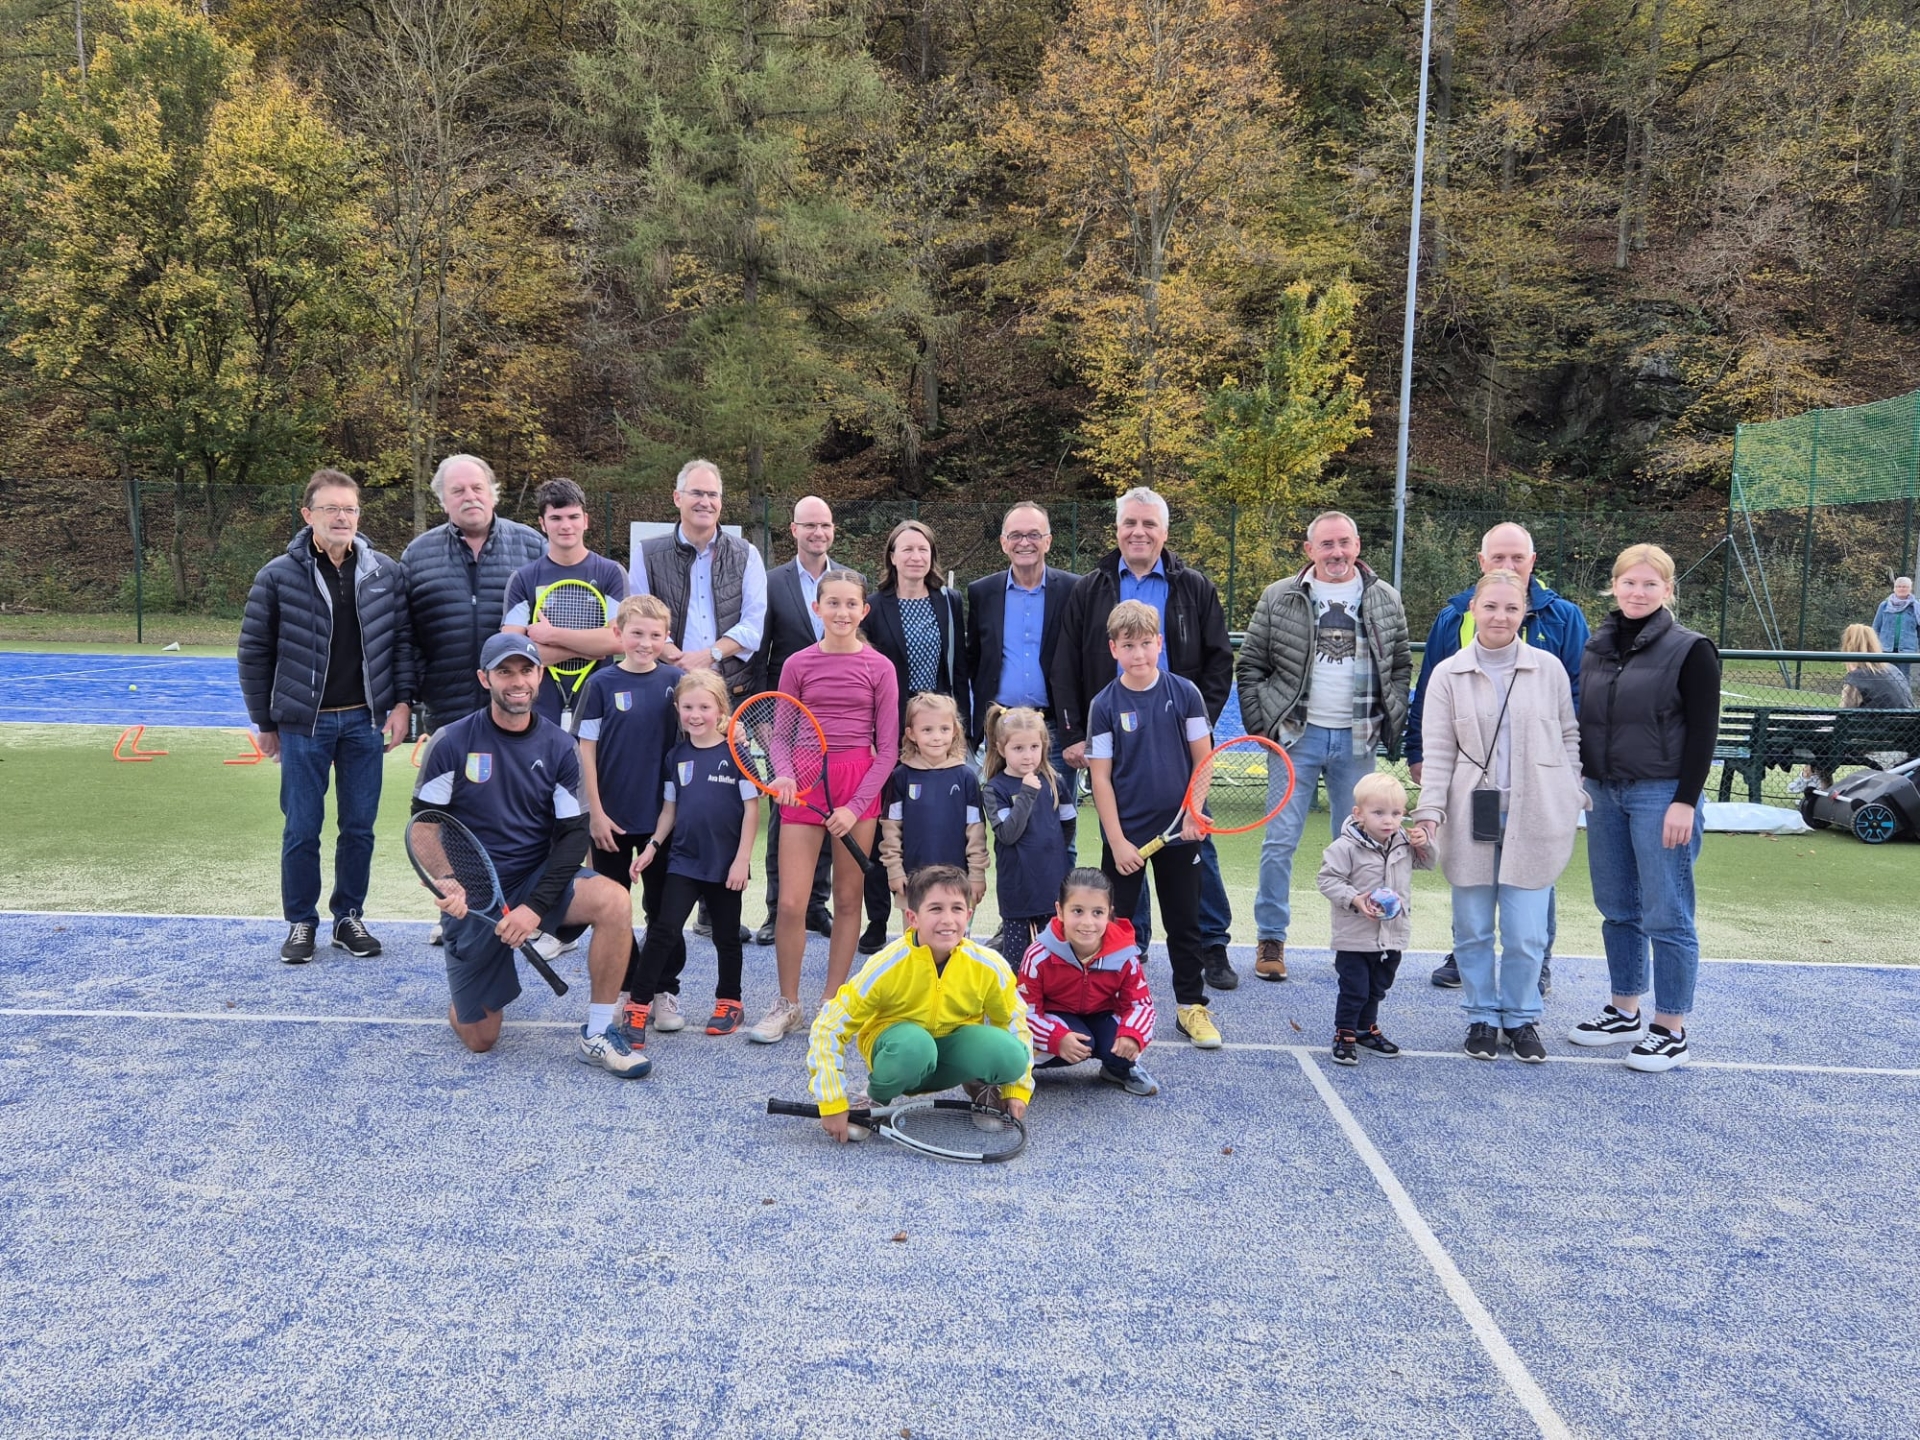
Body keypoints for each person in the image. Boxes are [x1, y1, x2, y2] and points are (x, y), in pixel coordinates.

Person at [412, 633, 651, 1077]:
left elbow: (572, 838)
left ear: (539, 675)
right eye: (505, 672)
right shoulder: (450, 741)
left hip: (535, 877)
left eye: (526, 670)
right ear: (485, 678)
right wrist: (446, 879)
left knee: (615, 899)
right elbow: (424, 825)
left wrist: (532, 909)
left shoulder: (559, 745)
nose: (517, 681)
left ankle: (597, 1033)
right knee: (481, 1038)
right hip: (474, 891)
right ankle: (465, 995)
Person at [1050, 487, 1239, 990]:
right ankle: (1133, 953)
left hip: (1178, 731)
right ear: (1117, 530)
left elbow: (1219, 662)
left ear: (1164, 532)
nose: (1139, 532)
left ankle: (1211, 945)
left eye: (1149, 524)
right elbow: (1067, 660)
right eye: (1130, 523)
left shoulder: (1193, 586)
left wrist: (1198, 724)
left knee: (1195, 847)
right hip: (1117, 734)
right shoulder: (1090, 588)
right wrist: (1075, 732)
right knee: (1126, 855)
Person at [238, 469, 415, 965]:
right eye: (331, 508)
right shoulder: (277, 575)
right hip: (302, 727)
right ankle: (301, 921)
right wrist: (265, 724)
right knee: (302, 828)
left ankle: (348, 916)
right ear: (307, 515)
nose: (342, 517)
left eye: (350, 508)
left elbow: (400, 645)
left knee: (359, 827)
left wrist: (401, 704)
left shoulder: (385, 572)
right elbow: (254, 653)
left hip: (364, 722)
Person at [1408, 570, 1585, 1064]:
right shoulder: (1448, 674)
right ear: (1473, 611)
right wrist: (1431, 814)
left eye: (1511, 608)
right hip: (1471, 815)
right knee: (1473, 928)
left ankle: (1521, 1017)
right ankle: (1482, 1016)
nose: (1500, 616)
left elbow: (1570, 735)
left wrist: (1571, 790)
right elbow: (1439, 752)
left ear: (1524, 613)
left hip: (1537, 814)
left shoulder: (1548, 669)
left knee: (1528, 933)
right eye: (1490, 607)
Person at [1235, 511, 1411, 983]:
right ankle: (1271, 937)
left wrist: (1386, 716)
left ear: (1357, 546)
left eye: (1345, 543)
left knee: (1362, 847)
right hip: (1295, 736)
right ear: (1309, 550)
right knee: (1279, 842)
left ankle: (1355, 943)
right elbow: (1250, 666)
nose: (1337, 552)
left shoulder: (1383, 598)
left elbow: (1398, 667)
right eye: (1327, 544)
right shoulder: (1280, 596)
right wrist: (1264, 724)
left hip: (1358, 740)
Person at [1567, 545, 1720, 1073]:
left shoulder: (1691, 648)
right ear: (1614, 585)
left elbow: (1704, 732)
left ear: (1668, 591)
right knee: (1617, 906)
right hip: (1604, 791)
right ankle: (1624, 1008)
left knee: (1667, 912)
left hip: (1662, 792)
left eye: (1649, 585)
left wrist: (1685, 799)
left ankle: (1670, 1026)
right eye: (1629, 583)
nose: (1638, 593)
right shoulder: (1597, 646)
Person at [748, 570, 901, 1045]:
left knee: (849, 901)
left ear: (863, 610)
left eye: (850, 604)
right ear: (817, 609)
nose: (841, 612)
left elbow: (889, 748)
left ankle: (832, 1002)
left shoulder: (880, 668)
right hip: (803, 787)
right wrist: (785, 772)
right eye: (831, 603)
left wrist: (857, 807)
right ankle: (787, 1004)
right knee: (792, 903)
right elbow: (782, 734)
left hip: (859, 789)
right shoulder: (797, 663)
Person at [805, 864, 1033, 1142]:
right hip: (903, 1053)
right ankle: (876, 1098)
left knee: (1011, 1053)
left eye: (957, 909)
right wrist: (831, 1101)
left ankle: (981, 1084)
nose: (948, 919)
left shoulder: (989, 965)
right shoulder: (886, 964)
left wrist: (1016, 1090)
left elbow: (1013, 1021)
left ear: (969, 915)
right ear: (913, 917)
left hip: (952, 1050)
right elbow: (829, 1025)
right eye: (936, 909)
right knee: (915, 1046)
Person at [1087, 599, 1223, 1049]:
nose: (1139, 653)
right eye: (1129, 645)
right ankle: (1115, 1007)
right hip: (1126, 837)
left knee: (1185, 924)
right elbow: (1101, 779)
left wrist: (1192, 814)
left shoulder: (1184, 693)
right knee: (1118, 926)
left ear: (1160, 644)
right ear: (1114, 649)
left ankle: (1190, 1006)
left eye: (1146, 643)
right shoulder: (1103, 705)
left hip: (1182, 834)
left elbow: (1203, 760)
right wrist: (1118, 841)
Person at [627, 670, 761, 1040]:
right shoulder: (677, 756)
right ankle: (637, 1007)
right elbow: (670, 809)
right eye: (688, 707)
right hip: (684, 860)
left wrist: (741, 860)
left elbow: (752, 811)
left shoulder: (739, 754)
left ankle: (729, 1002)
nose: (695, 714)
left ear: (720, 709)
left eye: (704, 706)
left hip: (725, 863)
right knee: (663, 930)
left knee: (727, 936)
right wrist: (653, 847)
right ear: (678, 709)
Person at [575, 595, 686, 1038]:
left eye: (655, 635)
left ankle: (663, 988)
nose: (645, 642)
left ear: (666, 639)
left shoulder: (677, 682)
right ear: (618, 634)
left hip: (662, 818)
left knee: (664, 908)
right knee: (614, 910)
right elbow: (586, 752)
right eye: (636, 633)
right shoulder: (601, 684)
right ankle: (626, 986)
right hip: (611, 821)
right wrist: (595, 814)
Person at [859, 519, 970, 953]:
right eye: (906, 549)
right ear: (891, 556)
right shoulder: (873, 605)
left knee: (941, 824)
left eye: (922, 549)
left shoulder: (948, 600)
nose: (915, 557)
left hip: (939, 728)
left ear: (932, 556)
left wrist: (962, 723)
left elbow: (957, 666)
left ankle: (945, 916)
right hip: (891, 729)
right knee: (888, 823)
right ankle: (879, 919)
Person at [753, 495, 847, 945]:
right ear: (793, 530)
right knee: (786, 817)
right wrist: (762, 716)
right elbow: (760, 653)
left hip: (835, 727)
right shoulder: (770, 583)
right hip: (786, 725)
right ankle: (778, 909)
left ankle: (815, 906)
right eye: (809, 525)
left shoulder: (850, 581)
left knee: (828, 814)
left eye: (825, 525)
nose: (818, 533)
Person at [965, 504, 1081, 856]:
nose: (1024, 542)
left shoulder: (1075, 589)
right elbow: (975, 662)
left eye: (1033, 534)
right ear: (1003, 543)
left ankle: (1057, 910)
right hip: (998, 733)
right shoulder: (982, 592)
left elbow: (1082, 661)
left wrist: (1080, 728)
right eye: (1016, 535)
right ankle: (1013, 910)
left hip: (1054, 734)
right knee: (997, 829)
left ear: (1048, 541)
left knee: (1059, 832)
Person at [401, 453, 545, 733]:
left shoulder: (533, 547)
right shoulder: (417, 555)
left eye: (477, 488)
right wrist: (414, 691)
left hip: (522, 711)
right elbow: (405, 639)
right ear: (443, 501)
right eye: (457, 490)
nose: (470, 496)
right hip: (447, 713)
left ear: (493, 494)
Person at [1315, 772, 1435, 1065]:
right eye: (1378, 812)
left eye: (1395, 813)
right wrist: (1355, 899)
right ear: (1359, 814)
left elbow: (1429, 862)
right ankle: (1344, 1033)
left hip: (1392, 934)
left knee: (1378, 987)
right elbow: (1327, 880)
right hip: (1355, 936)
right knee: (1355, 988)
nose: (1388, 820)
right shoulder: (1344, 848)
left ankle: (1365, 1028)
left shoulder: (1404, 842)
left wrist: (1426, 842)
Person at [631, 458, 769, 705]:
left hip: (730, 695)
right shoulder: (646, 554)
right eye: (696, 493)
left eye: (712, 495)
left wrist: (709, 655)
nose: (705, 502)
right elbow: (638, 621)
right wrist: (679, 662)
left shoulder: (747, 554)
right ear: (677, 498)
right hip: (666, 690)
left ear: (720, 502)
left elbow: (752, 628)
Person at [1017, 868, 1158, 1097]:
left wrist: (1132, 1034)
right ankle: (1019, 1067)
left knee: (1125, 1042)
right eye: (1078, 911)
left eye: (1097, 912)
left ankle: (1117, 1069)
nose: (1087, 922)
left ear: (1109, 914)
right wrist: (1055, 1038)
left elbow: (1141, 1005)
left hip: (1101, 1014)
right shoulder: (1038, 955)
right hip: (1056, 1015)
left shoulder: (1125, 956)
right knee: (1083, 1042)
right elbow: (1023, 1010)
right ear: (1060, 911)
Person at [501, 478, 627, 729]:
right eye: (556, 518)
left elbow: (617, 641)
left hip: (599, 701)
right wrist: (589, 648)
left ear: (586, 521)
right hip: (541, 705)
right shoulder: (523, 579)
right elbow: (512, 653)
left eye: (573, 517)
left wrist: (551, 635)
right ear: (542, 524)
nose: (566, 526)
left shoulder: (611, 573)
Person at [982, 705, 1078, 970]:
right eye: (1018, 748)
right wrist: (1026, 794)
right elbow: (1008, 834)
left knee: (1055, 959)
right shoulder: (995, 789)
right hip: (1017, 890)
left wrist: (1052, 852)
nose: (1028, 756)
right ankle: (1015, 1009)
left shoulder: (1054, 781)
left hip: (1051, 887)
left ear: (1044, 746)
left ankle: (1050, 1009)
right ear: (1001, 749)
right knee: (1017, 960)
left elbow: (1068, 826)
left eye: (1034, 747)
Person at [879, 692, 987, 908]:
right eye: (927, 730)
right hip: (913, 883)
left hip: (958, 883)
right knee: (917, 941)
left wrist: (977, 874)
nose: (937, 737)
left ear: (955, 730)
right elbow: (891, 828)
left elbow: (976, 831)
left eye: (944, 729)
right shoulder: (901, 776)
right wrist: (894, 869)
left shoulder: (966, 777)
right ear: (911, 733)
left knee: (954, 940)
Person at [1872, 576, 1918, 656]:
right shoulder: (1884, 605)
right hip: (1885, 649)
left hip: (1907, 651)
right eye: (1898, 586)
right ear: (1894, 588)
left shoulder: (1916, 607)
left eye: (1904, 587)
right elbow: (1876, 628)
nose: (1901, 589)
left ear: (1910, 589)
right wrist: (1875, 645)